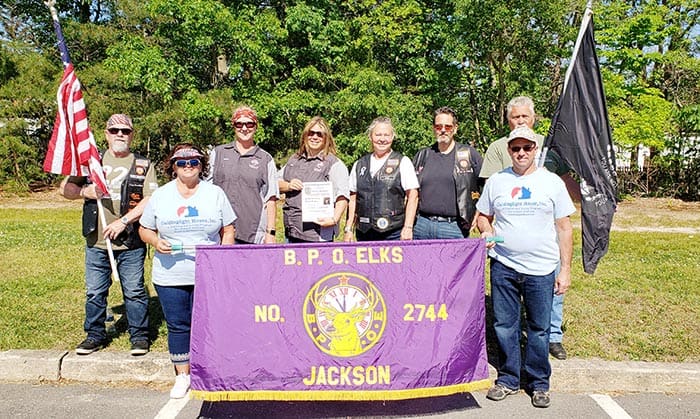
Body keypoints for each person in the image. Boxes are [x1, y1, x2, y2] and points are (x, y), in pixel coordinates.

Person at [476, 126, 575, 408]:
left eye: (527, 148)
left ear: (535, 150)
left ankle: (538, 382)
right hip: (504, 265)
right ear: (509, 151)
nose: (521, 153)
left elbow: (564, 228)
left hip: (542, 268)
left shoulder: (551, 182)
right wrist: (486, 229)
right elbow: (482, 215)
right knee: (505, 325)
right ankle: (508, 378)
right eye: (516, 148)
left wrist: (564, 270)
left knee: (539, 328)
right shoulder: (497, 181)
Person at [139, 144, 235, 398]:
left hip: (207, 272)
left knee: (209, 324)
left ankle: (211, 371)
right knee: (178, 325)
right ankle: (182, 375)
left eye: (193, 161)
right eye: (181, 163)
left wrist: (223, 257)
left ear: (202, 165)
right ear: (173, 167)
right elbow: (145, 228)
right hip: (170, 274)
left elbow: (228, 230)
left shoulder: (214, 193)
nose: (188, 166)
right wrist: (156, 242)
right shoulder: (161, 195)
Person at [60, 114, 156, 356]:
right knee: (95, 291)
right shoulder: (93, 162)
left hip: (130, 241)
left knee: (134, 290)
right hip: (97, 241)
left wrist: (124, 221)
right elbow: (65, 189)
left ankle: (139, 337)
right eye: (114, 131)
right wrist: (85, 191)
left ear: (132, 134)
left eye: (125, 130)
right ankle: (94, 335)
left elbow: (150, 198)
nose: (120, 135)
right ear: (106, 134)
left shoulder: (143, 164)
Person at [208, 105, 279, 244]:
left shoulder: (265, 159)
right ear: (233, 126)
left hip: (253, 232)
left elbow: (271, 198)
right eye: (239, 124)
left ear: (256, 126)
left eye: (249, 124)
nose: (244, 128)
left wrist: (270, 232)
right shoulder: (218, 153)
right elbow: (206, 190)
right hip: (219, 231)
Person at [344, 117, 419, 241]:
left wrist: (408, 227)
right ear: (370, 136)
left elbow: (413, 196)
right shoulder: (359, 164)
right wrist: (348, 229)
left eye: (386, 135)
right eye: (378, 134)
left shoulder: (403, 162)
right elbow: (352, 199)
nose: (382, 139)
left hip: (393, 232)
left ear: (392, 137)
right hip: (364, 232)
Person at [412, 106, 482, 239]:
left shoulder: (468, 154)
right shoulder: (422, 155)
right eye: (438, 127)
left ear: (455, 128)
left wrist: (479, 213)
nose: (443, 130)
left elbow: (487, 186)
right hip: (421, 225)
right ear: (434, 129)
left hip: (454, 227)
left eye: (448, 127)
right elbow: (411, 192)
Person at [278, 116, 349, 242]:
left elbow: (342, 196)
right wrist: (288, 185)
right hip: (291, 232)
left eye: (319, 134)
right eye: (311, 133)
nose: (314, 137)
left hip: (318, 235)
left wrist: (334, 219)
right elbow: (275, 183)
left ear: (326, 138)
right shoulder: (294, 159)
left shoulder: (334, 163)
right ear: (305, 135)